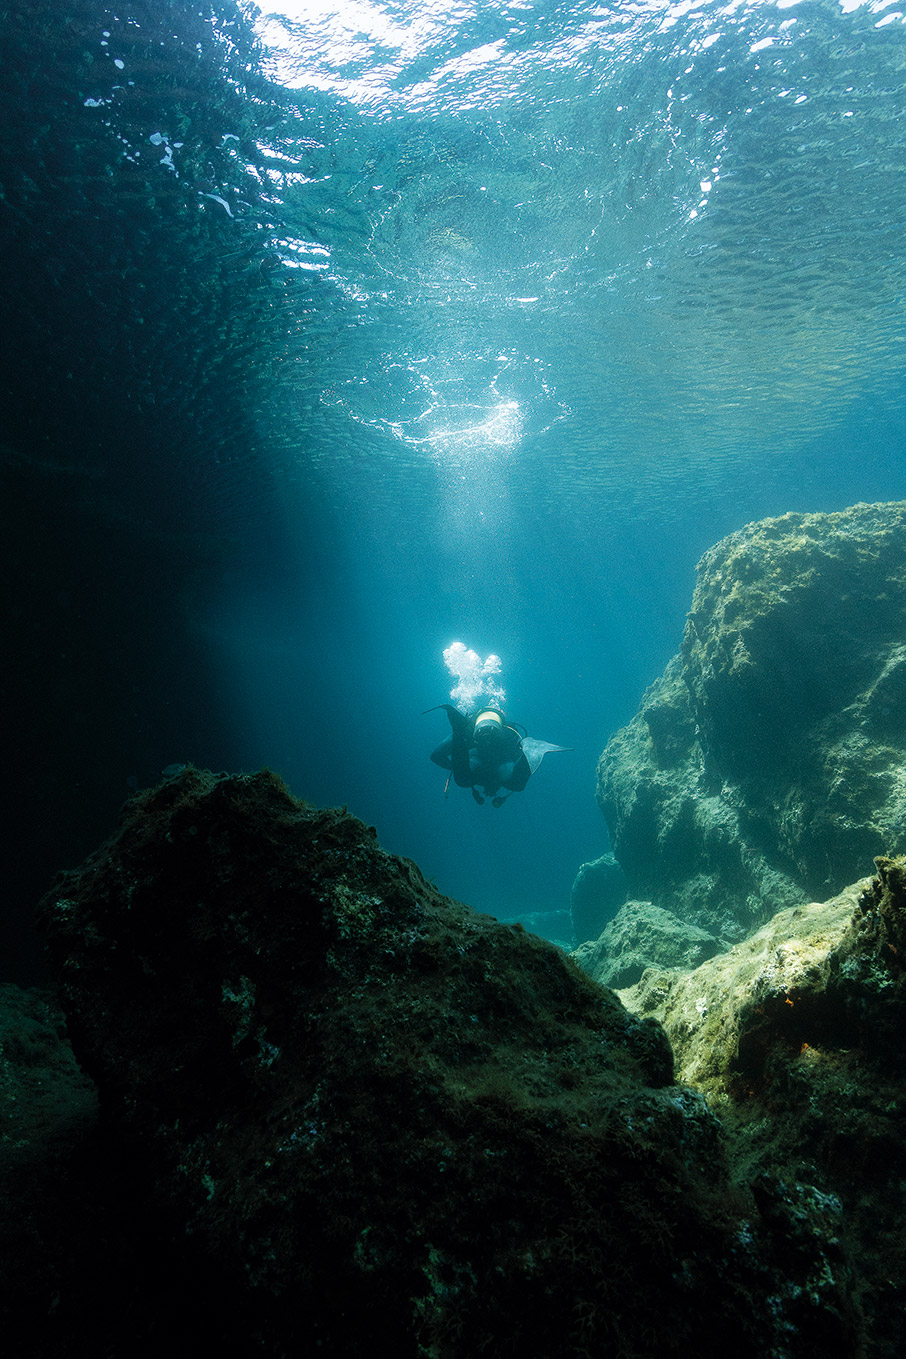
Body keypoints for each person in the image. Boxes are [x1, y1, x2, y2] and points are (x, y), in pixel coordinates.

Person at [426, 703, 570, 806]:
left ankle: (456, 731)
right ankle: (531, 747)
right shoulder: (506, 732)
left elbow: (436, 755)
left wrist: (457, 767)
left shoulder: (467, 730)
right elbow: (514, 753)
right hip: (501, 758)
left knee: (463, 779)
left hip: (476, 757)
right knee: (516, 784)